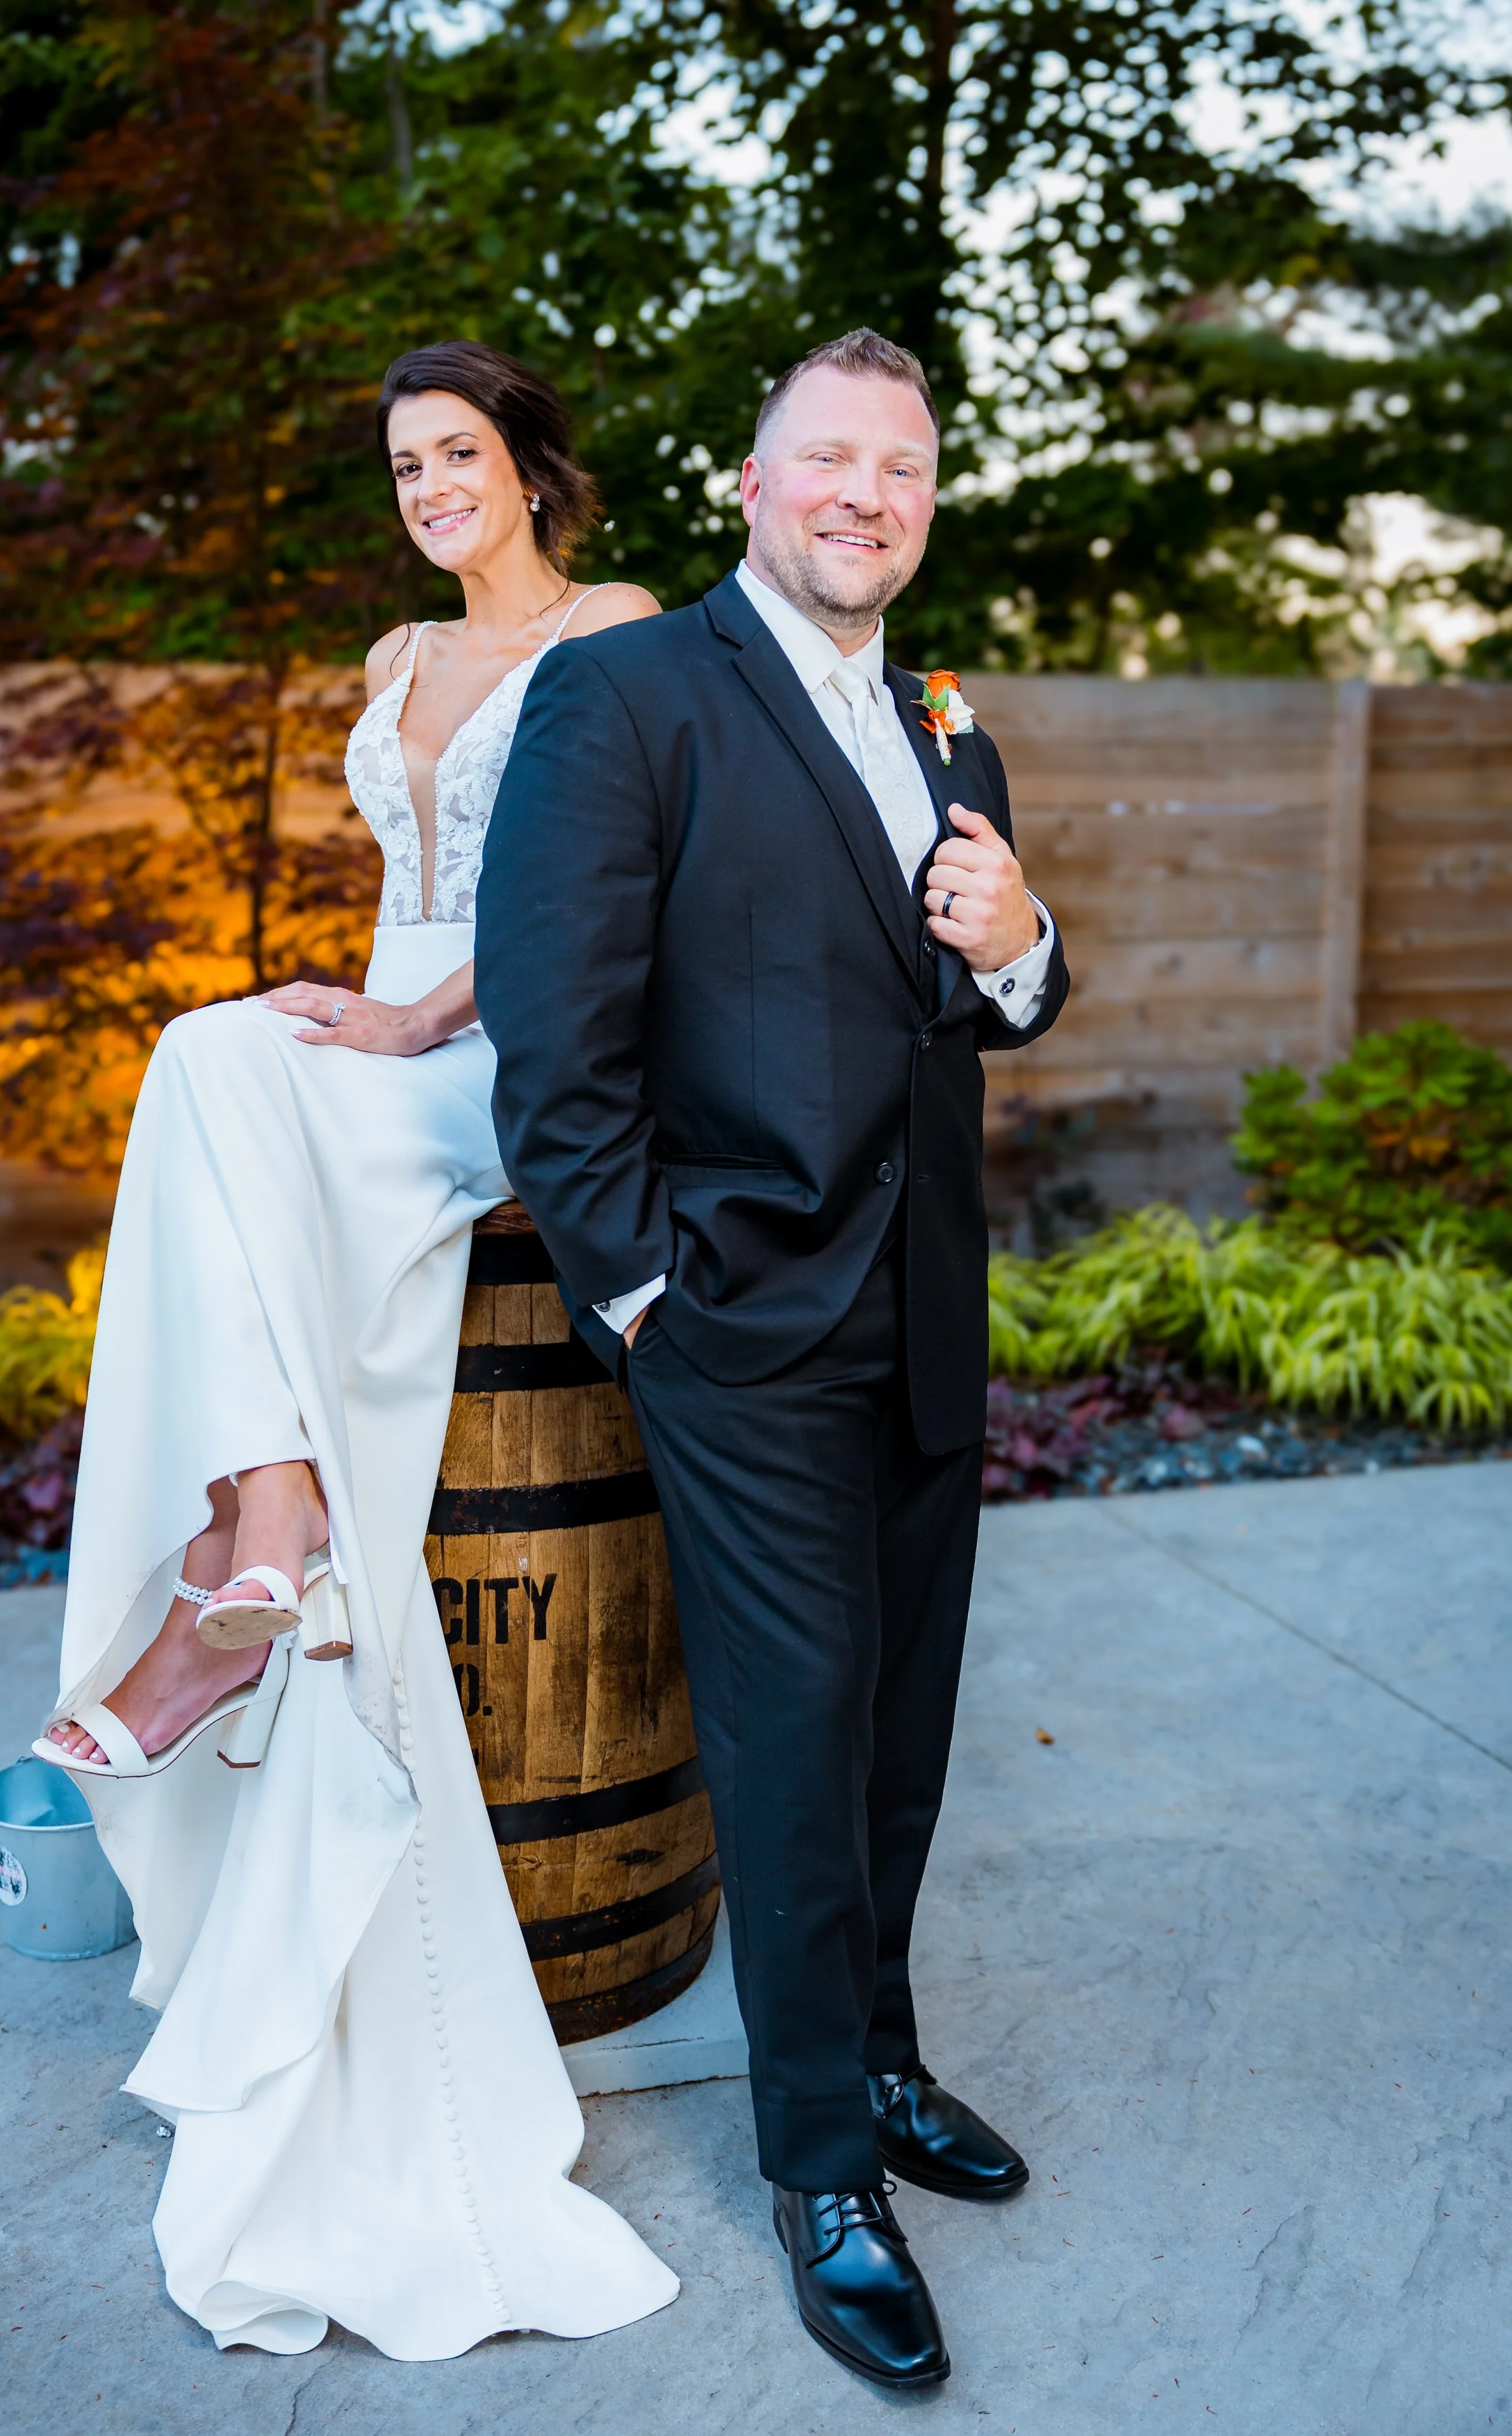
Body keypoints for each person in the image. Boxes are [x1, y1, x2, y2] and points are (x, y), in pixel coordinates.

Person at [31, 340, 676, 2359]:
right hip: (387, 1024)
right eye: (402, 463)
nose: (426, 486)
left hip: (528, 1035)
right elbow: (396, 876)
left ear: (529, 467)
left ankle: (252, 1544)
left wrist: (421, 1020)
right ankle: (270, 1527)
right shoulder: (392, 651)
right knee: (216, 1047)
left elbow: (612, 878)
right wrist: (371, 1005)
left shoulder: (619, 629)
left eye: (455, 452)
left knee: (215, 1054)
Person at [476, 327, 1070, 2391]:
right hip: (732, 1327)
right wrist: (646, 1302)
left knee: (901, 1727)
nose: (864, 497)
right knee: (796, 1747)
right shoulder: (625, 694)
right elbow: (554, 1051)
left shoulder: (946, 723)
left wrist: (1023, 950)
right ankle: (823, 2170)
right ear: (750, 484)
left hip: (922, 1306)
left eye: (900, 470)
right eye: (828, 460)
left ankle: (884, 2064)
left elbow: (992, 1001)